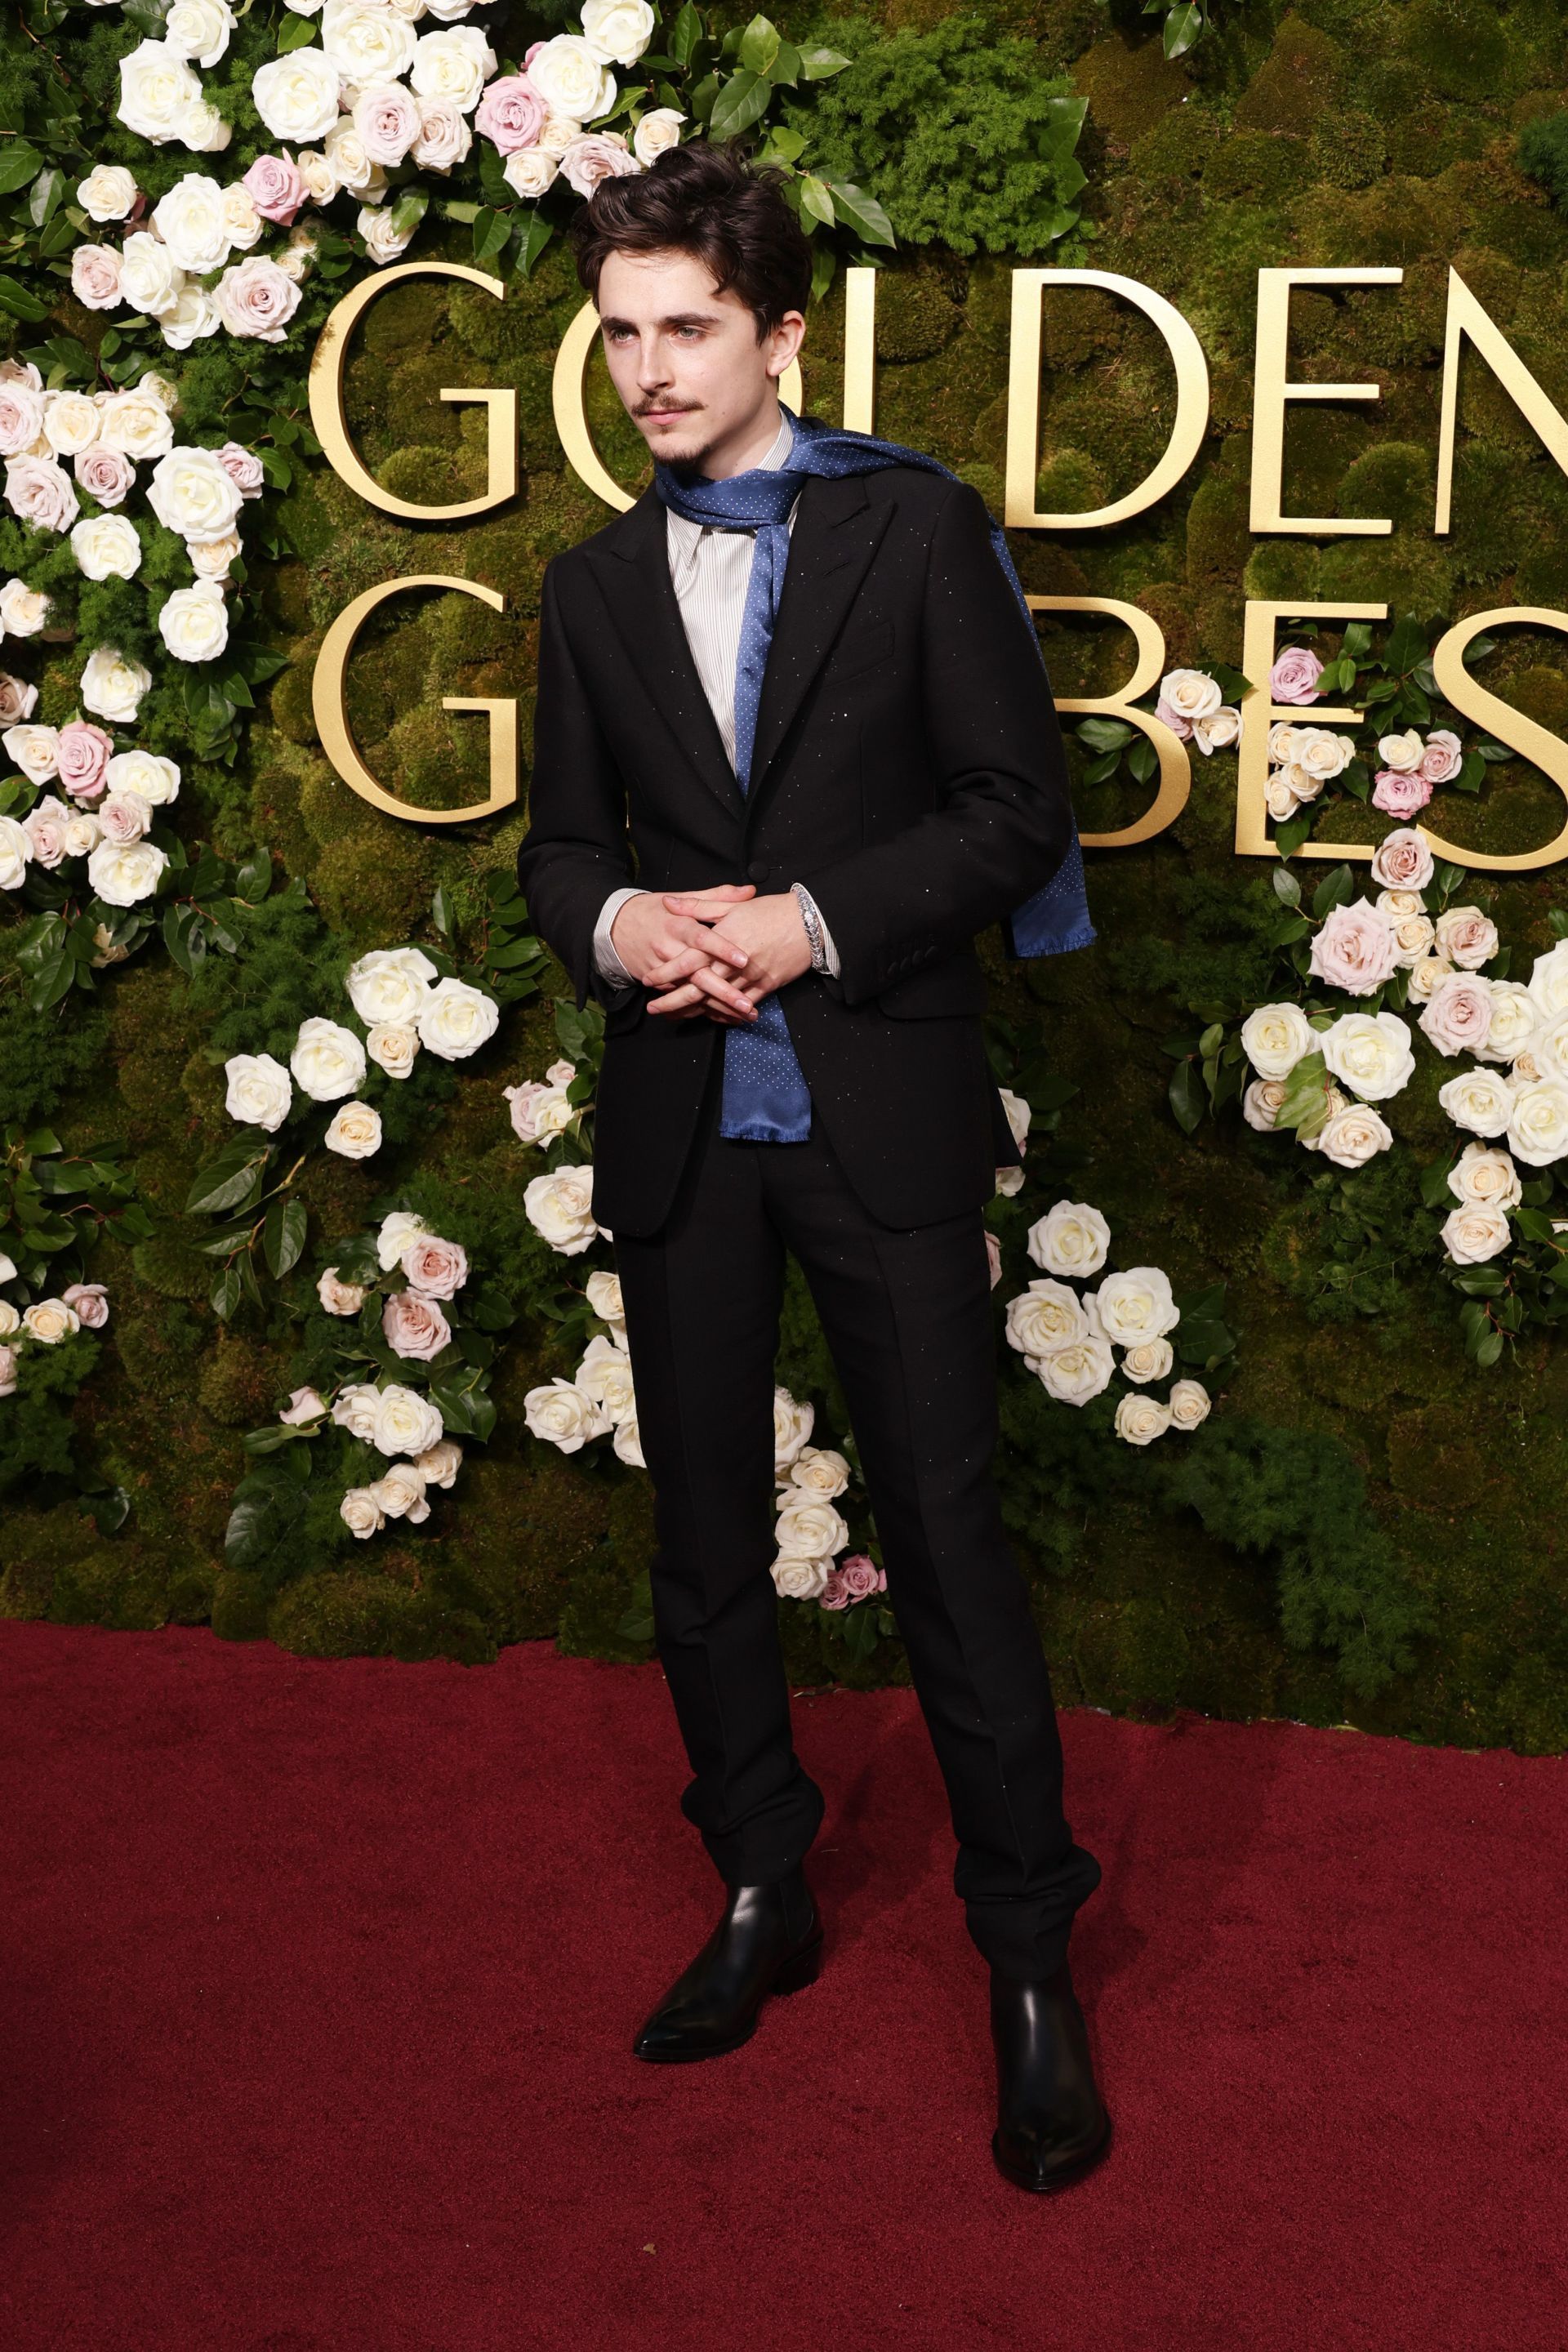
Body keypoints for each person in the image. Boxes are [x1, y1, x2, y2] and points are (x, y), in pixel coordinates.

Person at [518, 143, 1110, 2195]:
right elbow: (560, 855)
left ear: (781, 334)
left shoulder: (917, 532)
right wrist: (623, 931)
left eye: (690, 329)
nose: (652, 372)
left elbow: (1012, 812)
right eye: (621, 335)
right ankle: (764, 1883)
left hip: (877, 1111)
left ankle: (1029, 1959)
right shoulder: (589, 588)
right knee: (702, 1550)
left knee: (948, 1543)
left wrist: (808, 922)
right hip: (684, 1129)